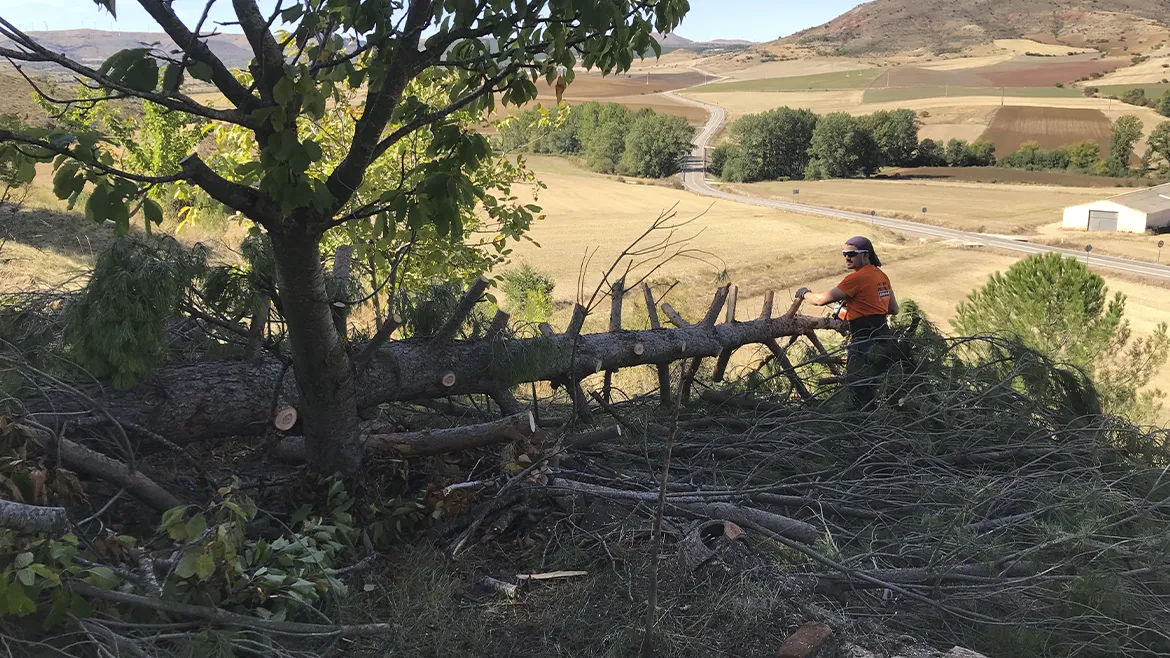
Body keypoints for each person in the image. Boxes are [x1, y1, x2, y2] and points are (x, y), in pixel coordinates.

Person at [795, 236, 899, 409]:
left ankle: (861, 431)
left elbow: (820, 300)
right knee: (875, 390)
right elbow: (893, 308)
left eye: (851, 253)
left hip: (863, 345)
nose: (847, 258)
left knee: (858, 394)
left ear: (865, 255)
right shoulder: (881, 276)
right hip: (884, 341)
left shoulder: (856, 278)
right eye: (844, 254)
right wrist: (856, 310)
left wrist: (804, 293)